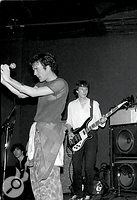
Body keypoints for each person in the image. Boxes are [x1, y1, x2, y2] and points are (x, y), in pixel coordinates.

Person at [1, 53, 69, 200]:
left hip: (50, 134)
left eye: (37, 69)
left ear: (48, 67)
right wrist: (4, 81)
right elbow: (22, 94)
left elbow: (32, 92)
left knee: (48, 179)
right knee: (36, 179)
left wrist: (9, 78)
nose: (34, 73)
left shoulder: (60, 83)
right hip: (37, 132)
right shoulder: (41, 85)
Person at [66, 80, 107, 200]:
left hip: (91, 136)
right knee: (76, 166)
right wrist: (69, 132)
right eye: (81, 89)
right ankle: (78, 192)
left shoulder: (94, 104)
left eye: (86, 89)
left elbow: (100, 122)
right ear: (77, 91)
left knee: (89, 167)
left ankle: (89, 193)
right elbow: (69, 122)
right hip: (77, 136)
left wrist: (102, 121)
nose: (84, 91)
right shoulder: (71, 105)